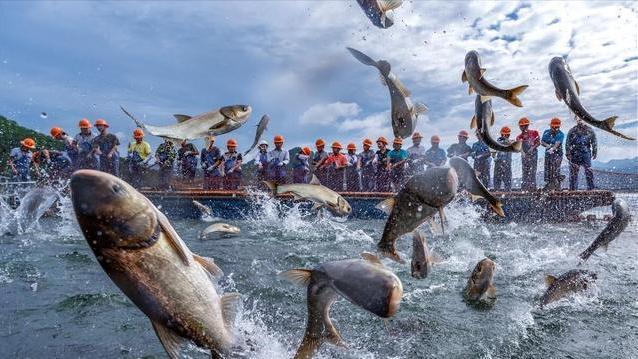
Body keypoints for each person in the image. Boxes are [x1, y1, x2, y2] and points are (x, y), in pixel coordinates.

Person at [566, 117, 597, 190]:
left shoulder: (590, 130)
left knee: (588, 171)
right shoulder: (572, 130)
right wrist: (568, 152)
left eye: (581, 119)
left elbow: (594, 141)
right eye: (578, 119)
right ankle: (573, 189)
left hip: (585, 153)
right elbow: (567, 142)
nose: (580, 120)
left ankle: (591, 188)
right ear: (576, 120)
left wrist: (595, 151)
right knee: (573, 172)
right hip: (574, 153)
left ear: (585, 120)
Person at [516, 117, 540, 191]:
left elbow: (538, 143)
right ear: (520, 127)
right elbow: (519, 147)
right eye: (522, 126)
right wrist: (523, 153)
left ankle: (533, 188)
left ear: (528, 125)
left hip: (533, 155)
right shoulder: (519, 137)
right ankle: (524, 188)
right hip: (524, 156)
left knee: (532, 172)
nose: (523, 127)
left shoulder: (534, 133)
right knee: (525, 172)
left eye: (525, 126)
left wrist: (532, 148)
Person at [541, 118, 565, 191]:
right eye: (553, 127)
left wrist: (553, 148)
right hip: (548, 154)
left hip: (557, 154)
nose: (555, 128)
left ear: (559, 127)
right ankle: (548, 185)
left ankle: (557, 186)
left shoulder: (561, 134)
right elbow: (542, 141)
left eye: (557, 127)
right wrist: (547, 145)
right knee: (548, 169)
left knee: (555, 169)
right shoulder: (546, 132)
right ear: (551, 126)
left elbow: (557, 143)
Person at [493, 126, 513, 191]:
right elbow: (493, 153)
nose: (508, 135)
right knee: (497, 179)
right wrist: (495, 157)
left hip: (507, 164)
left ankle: (508, 192)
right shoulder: (497, 142)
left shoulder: (510, 142)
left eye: (508, 134)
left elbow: (513, 144)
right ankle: (496, 192)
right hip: (498, 163)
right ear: (502, 134)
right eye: (507, 134)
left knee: (508, 179)